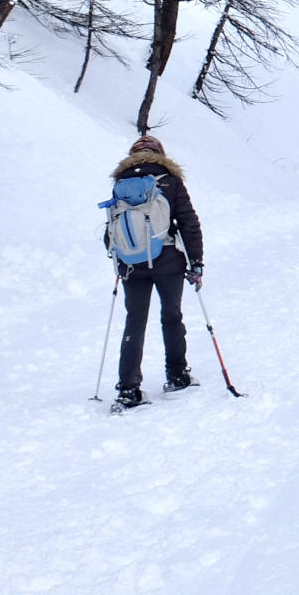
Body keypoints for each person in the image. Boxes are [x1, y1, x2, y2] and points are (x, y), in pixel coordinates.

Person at [109, 134, 204, 409]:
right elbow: (188, 222)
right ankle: (177, 376)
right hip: (168, 261)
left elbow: (112, 227)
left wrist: (120, 258)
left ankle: (128, 389)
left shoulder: (122, 184)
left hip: (131, 264)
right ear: (159, 153)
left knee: (134, 322)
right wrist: (196, 262)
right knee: (171, 316)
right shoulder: (170, 180)